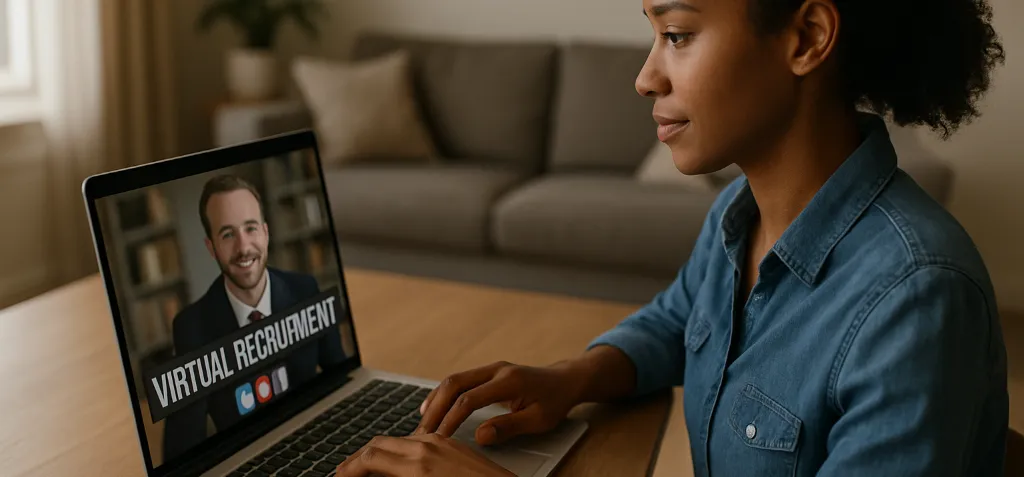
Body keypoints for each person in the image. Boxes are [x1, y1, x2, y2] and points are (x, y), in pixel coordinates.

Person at [334, 0, 1008, 475]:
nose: (645, 75)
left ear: (805, 38)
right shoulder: (736, 217)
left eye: (678, 34)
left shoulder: (915, 300)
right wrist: (568, 378)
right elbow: (676, 321)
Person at [163, 175, 347, 461]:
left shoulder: (305, 290)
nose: (243, 247)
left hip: (316, 442)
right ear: (211, 248)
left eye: (250, 229)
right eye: (227, 235)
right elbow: (182, 450)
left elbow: (341, 377)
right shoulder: (191, 326)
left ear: (265, 232)